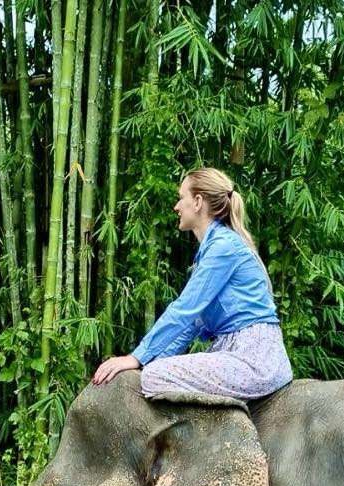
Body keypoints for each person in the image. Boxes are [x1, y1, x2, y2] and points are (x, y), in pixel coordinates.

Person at [92, 167, 293, 401]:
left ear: (197, 202)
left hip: (254, 357)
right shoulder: (215, 248)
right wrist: (148, 360)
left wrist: (136, 358)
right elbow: (191, 324)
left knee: (154, 376)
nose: (176, 207)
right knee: (153, 370)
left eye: (181, 198)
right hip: (235, 351)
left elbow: (185, 309)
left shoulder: (223, 248)